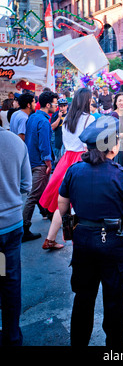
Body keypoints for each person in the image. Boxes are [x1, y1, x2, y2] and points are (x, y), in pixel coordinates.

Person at [57, 116, 123, 347]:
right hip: (113, 242)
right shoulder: (122, 173)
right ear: (113, 147)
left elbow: (62, 205)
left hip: (83, 240)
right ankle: (116, 346)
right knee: (115, 299)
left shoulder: (74, 171)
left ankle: (79, 343)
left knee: (83, 298)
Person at [40, 88, 95, 250]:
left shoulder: (67, 119)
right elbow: (87, 145)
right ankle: (80, 241)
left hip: (66, 160)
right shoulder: (89, 118)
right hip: (82, 159)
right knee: (82, 201)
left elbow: (65, 142)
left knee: (62, 202)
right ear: (86, 101)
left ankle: (50, 238)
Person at [0, 126, 32, 346]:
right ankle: (12, 337)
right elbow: (26, 185)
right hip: (10, 226)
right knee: (9, 281)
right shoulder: (15, 142)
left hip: (10, 228)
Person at [22, 91, 58, 242]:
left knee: (38, 191)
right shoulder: (43, 121)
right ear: (48, 105)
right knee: (33, 196)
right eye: (55, 104)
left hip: (30, 161)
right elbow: (44, 145)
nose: (57, 107)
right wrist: (48, 163)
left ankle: (47, 212)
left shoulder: (33, 117)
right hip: (40, 164)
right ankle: (24, 228)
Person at [50, 98, 68, 164]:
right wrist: (59, 118)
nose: (62, 108)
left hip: (67, 140)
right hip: (58, 139)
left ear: (67, 106)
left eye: (64, 106)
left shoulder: (70, 114)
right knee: (57, 160)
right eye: (61, 106)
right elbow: (52, 127)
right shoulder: (55, 115)